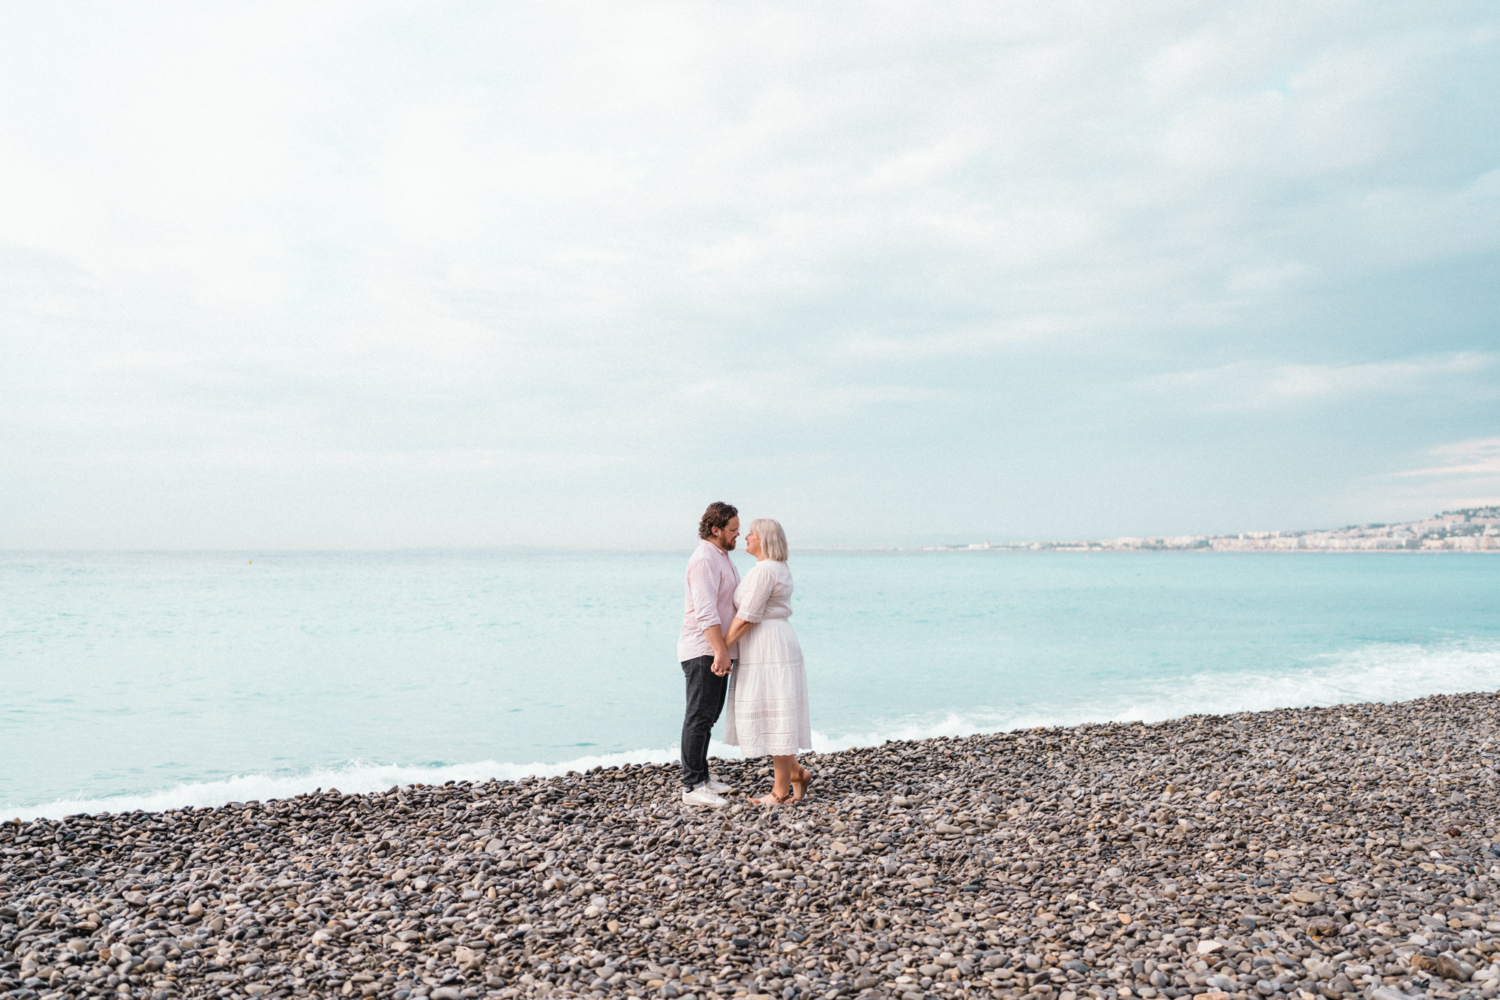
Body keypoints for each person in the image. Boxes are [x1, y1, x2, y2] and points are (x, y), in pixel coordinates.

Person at [722, 518, 814, 805]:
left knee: (776, 713)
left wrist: (721, 649)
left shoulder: (764, 571)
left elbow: (748, 615)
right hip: (777, 641)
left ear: (765, 539)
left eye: (751, 533)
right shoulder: (779, 568)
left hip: (768, 647)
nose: (745, 536)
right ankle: (797, 773)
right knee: (778, 711)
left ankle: (779, 792)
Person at [677, 501, 742, 807]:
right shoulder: (704, 560)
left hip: (717, 649)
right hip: (703, 649)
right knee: (699, 716)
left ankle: (702, 777)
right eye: (733, 530)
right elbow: (705, 612)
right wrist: (720, 651)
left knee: (709, 715)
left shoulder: (722, 557)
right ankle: (691, 787)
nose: (737, 536)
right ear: (715, 530)